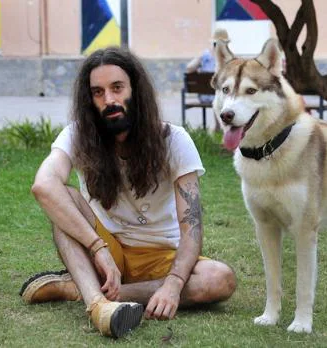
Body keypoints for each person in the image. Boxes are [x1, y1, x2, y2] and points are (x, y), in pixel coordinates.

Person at [19, 46, 237, 338]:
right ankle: (98, 305)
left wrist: (173, 284)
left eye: (117, 88)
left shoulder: (174, 140)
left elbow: (192, 232)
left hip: (162, 256)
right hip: (106, 251)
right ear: (89, 100)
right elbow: (44, 186)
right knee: (63, 200)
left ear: (136, 90)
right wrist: (98, 249)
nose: (109, 100)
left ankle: (81, 289)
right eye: (98, 92)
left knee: (219, 279)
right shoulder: (77, 134)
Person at [185, 28, 230, 132]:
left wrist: (200, 60)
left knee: (217, 95)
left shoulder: (205, 55)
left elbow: (189, 68)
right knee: (219, 95)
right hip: (221, 97)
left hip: (205, 96)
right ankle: (220, 127)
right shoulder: (228, 58)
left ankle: (218, 127)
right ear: (226, 44)